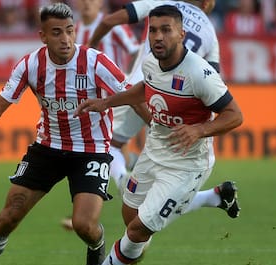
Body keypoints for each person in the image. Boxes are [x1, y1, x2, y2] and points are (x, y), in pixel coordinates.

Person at [0, 2, 130, 265]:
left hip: (92, 150)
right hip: (47, 148)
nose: (65, 39)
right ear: (43, 36)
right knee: (9, 214)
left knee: (84, 225)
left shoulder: (96, 62)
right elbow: (0, 105)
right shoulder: (30, 65)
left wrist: (156, 123)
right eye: (57, 33)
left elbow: (132, 94)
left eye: (70, 31)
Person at [73, 5, 243, 265]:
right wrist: (107, 103)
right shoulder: (151, 61)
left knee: (139, 229)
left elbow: (235, 115)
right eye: (153, 30)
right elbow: (146, 89)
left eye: (166, 30)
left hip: (187, 164)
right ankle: (215, 197)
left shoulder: (199, 74)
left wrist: (199, 130)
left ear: (181, 33)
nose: (158, 36)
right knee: (130, 216)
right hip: (154, 152)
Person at [83, 0, 240, 222]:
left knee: (108, 147)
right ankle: (211, 198)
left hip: (141, 90)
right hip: (176, 104)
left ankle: (124, 187)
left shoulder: (161, 5)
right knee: (167, 179)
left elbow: (109, 20)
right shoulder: (210, 32)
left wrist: (90, 47)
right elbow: (212, 82)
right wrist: (199, 127)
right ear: (207, 3)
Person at [60, 0, 141, 231]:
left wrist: (127, 82)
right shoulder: (74, 29)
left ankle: (124, 180)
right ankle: (126, 172)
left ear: (100, 5)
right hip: (92, 100)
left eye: (91, 0)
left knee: (102, 149)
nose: (86, 4)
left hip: (116, 96)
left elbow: (137, 52)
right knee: (100, 150)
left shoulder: (113, 27)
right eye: (82, 0)